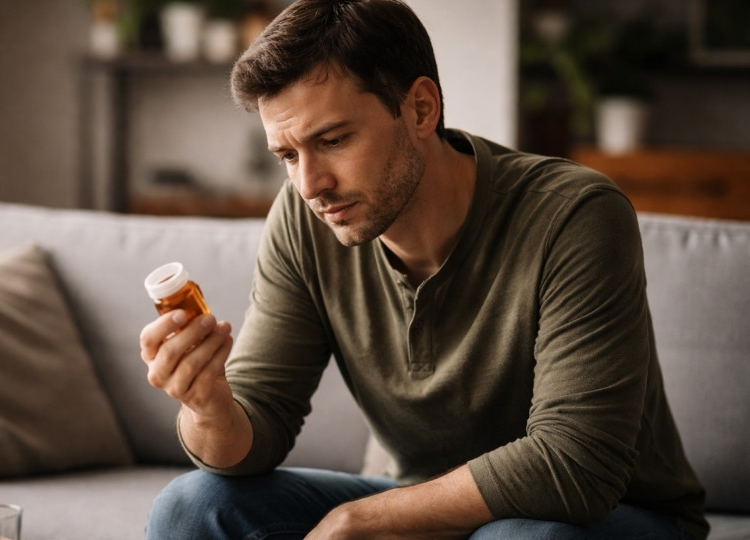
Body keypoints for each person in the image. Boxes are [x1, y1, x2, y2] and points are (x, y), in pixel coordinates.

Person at [138, 0, 708, 538]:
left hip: (610, 515)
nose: (310, 185)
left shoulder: (573, 214)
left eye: (333, 140)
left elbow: (576, 463)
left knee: (520, 536)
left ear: (420, 108)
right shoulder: (304, 218)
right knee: (191, 509)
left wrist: (364, 521)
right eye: (287, 156)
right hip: (415, 495)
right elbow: (258, 425)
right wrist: (208, 406)